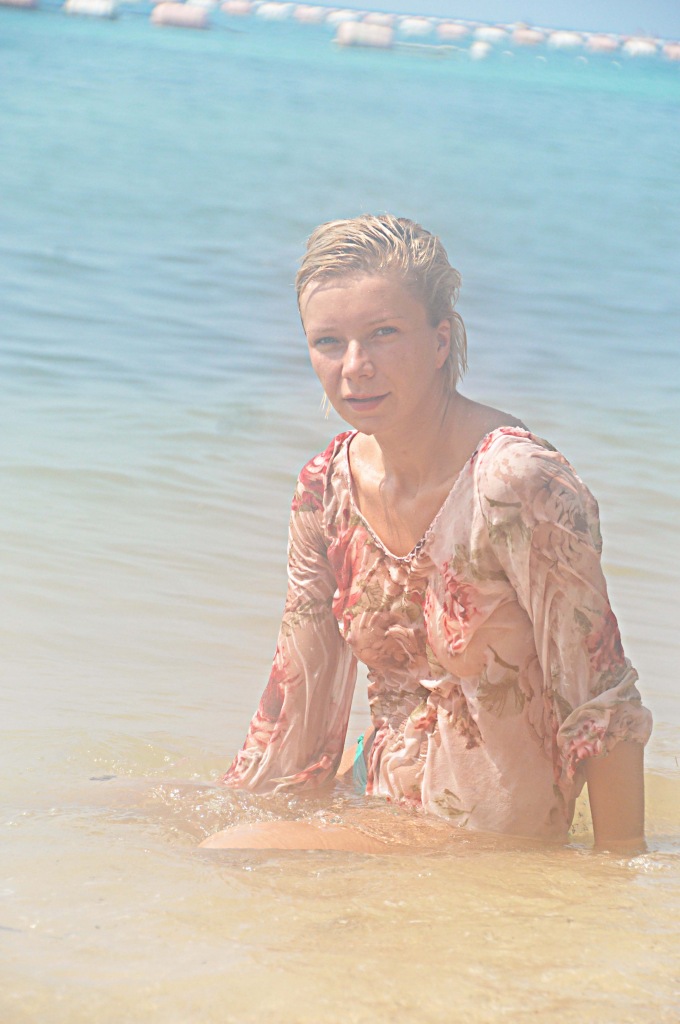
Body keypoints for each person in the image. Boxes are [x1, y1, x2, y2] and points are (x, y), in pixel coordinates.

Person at [200, 215, 652, 853]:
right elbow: (296, 701)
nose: (355, 367)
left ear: (442, 341)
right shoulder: (326, 487)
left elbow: (602, 700)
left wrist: (616, 873)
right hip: (378, 800)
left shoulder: (517, 482)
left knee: (231, 850)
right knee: (130, 809)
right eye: (329, 342)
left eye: (383, 334)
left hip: (485, 838)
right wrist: (226, 806)